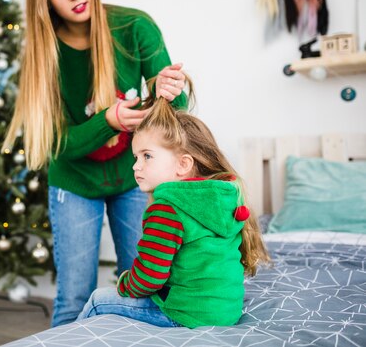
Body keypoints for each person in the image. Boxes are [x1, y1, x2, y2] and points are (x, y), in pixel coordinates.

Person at [3, 0, 187, 327]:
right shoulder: (43, 55)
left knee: (147, 286)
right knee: (73, 298)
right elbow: (56, 144)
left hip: (133, 177)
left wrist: (172, 91)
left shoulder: (134, 26)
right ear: (45, 0)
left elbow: (175, 110)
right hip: (73, 182)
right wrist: (109, 120)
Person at [76, 80, 270, 328]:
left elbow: (148, 279)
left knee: (97, 299)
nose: (136, 166)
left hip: (185, 314)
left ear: (183, 165)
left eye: (147, 156)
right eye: (136, 157)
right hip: (225, 312)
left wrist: (125, 282)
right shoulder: (226, 195)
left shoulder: (167, 209)